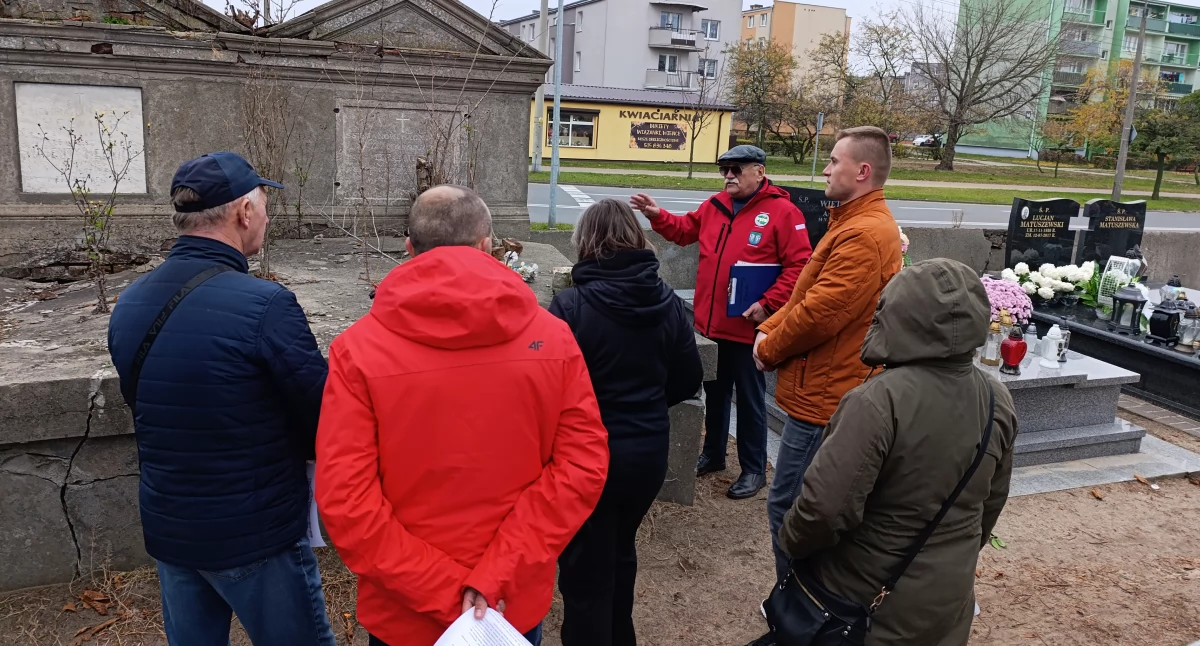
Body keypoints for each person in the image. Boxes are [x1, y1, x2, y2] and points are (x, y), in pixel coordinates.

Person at [315, 184, 610, 646]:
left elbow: (346, 501)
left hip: (405, 610)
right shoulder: (554, 340)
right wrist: (491, 577)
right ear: (487, 244)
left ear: (409, 248)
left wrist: (441, 589)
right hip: (505, 604)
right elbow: (582, 466)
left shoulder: (356, 351)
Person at [107, 152, 335, 645]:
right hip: (257, 536)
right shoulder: (266, 305)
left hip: (172, 530)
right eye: (265, 205)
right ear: (244, 212)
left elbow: (142, 399)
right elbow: (324, 417)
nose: (268, 218)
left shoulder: (130, 301)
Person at [770, 258, 1018, 645]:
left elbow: (824, 510)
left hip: (866, 597)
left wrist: (791, 544)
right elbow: (991, 501)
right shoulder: (995, 396)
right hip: (949, 593)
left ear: (898, 315)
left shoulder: (876, 401)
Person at [549, 199, 704, 646]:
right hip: (646, 456)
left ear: (586, 242)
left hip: (587, 460)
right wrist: (648, 406)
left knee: (584, 573)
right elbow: (687, 379)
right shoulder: (669, 303)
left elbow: (549, 392)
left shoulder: (570, 307)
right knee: (619, 553)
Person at [752, 126, 903, 585]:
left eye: (833, 160)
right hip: (820, 384)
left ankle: (799, 600)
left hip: (826, 395)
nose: (824, 167)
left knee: (794, 504)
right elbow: (806, 297)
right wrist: (767, 330)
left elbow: (821, 314)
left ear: (861, 171)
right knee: (799, 502)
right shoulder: (851, 223)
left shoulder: (863, 234)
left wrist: (769, 348)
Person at [630, 145, 811, 500]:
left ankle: (754, 469)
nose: (728, 175)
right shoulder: (715, 206)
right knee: (714, 393)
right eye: (724, 170)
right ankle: (713, 454)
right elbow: (684, 231)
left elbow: (800, 267)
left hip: (747, 327)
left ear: (759, 172)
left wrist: (767, 304)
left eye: (736, 169)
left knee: (749, 399)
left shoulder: (783, 213)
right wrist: (656, 214)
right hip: (710, 326)